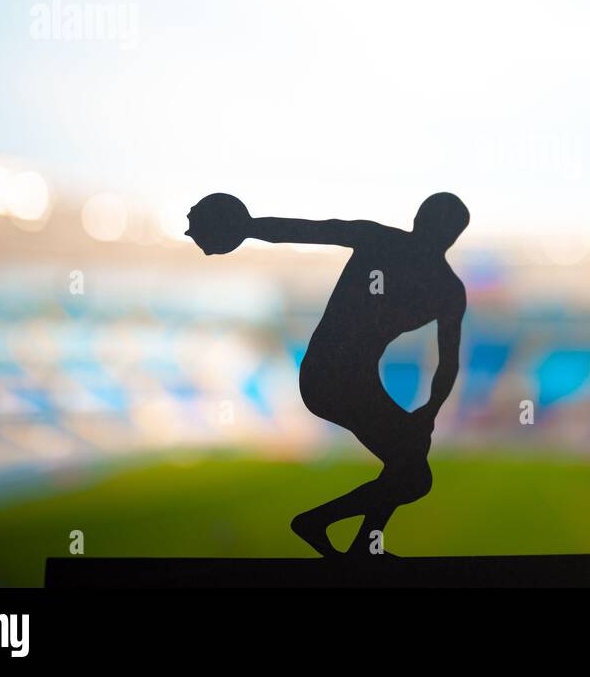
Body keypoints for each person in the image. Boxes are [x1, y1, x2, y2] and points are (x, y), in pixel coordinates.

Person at [185, 191, 469, 558]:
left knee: (410, 467)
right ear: (453, 234)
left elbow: (311, 231)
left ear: (420, 220)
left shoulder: (388, 246)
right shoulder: (445, 287)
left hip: (338, 374)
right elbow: (449, 363)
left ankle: (359, 545)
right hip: (333, 375)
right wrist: (427, 413)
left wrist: (249, 227)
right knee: (412, 472)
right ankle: (327, 529)